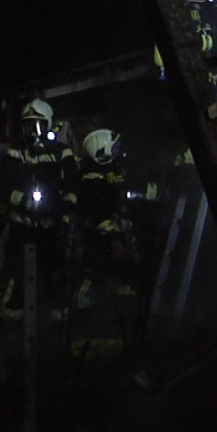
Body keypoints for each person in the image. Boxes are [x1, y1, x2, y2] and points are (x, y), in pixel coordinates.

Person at [0, 98, 79, 321]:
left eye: (39, 125)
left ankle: (59, 313)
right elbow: (4, 186)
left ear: (49, 125)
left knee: (56, 267)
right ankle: (12, 313)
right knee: (18, 270)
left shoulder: (62, 152)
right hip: (22, 225)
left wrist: (65, 209)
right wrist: (23, 201)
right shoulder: (16, 153)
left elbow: (72, 183)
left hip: (52, 223)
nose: (33, 131)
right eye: (29, 125)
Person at [75, 128, 140, 308]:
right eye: (115, 146)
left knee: (117, 259)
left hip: (113, 224)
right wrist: (106, 225)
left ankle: (115, 290)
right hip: (95, 229)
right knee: (94, 264)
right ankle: (82, 298)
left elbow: (119, 194)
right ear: (102, 148)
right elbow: (94, 204)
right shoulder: (91, 176)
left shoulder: (114, 169)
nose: (118, 149)